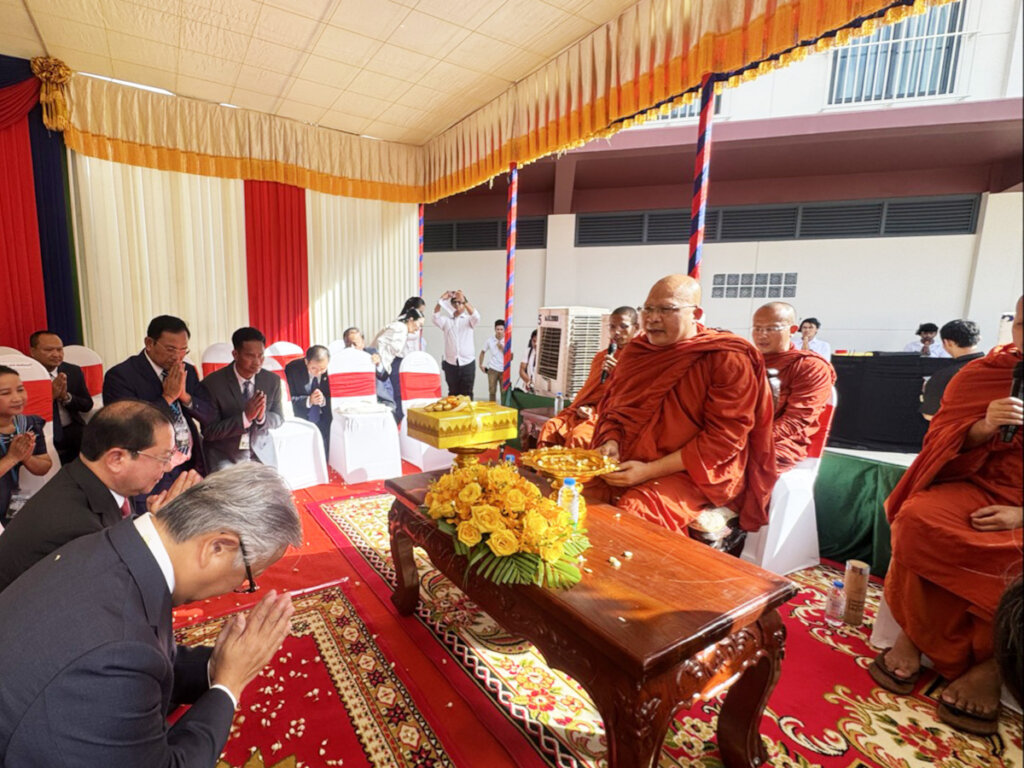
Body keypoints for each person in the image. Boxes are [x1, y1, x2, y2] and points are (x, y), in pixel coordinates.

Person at [0, 463, 302, 766]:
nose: (237, 588)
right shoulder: (120, 650)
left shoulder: (113, 546)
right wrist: (229, 686)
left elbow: (151, 656)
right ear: (217, 547)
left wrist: (217, 665)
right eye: (248, 578)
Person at [869, 296, 1022, 736]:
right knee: (918, 521)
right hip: (977, 485)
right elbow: (939, 443)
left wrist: (1021, 514)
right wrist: (983, 426)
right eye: (1023, 324)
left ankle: (995, 664)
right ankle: (916, 632)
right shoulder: (984, 374)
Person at [590, 275, 776, 550]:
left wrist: (648, 471)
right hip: (632, 457)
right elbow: (615, 410)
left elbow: (724, 440)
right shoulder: (637, 352)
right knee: (579, 492)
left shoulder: (727, 357)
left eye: (666, 309)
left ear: (696, 314)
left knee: (635, 511)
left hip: (695, 472)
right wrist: (611, 442)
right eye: (648, 309)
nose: (652, 318)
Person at [0, 400, 201, 594]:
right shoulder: (77, 527)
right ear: (116, 459)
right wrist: (161, 530)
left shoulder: (95, 481)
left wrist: (153, 521)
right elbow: (122, 591)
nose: (168, 467)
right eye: (164, 457)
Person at [103, 315, 209, 510]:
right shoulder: (121, 376)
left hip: (188, 465)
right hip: (151, 470)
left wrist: (185, 398)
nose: (177, 357)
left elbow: (209, 414)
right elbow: (125, 428)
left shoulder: (187, 371)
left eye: (183, 350)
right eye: (171, 349)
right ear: (149, 343)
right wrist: (167, 398)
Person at [751, 303, 836, 475]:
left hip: (779, 443)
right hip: (737, 435)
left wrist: (749, 440)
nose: (762, 335)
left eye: (771, 329)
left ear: (792, 329)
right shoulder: (747, 361)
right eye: (757, 328)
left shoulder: (810, 366)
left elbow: (796, 420)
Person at [538, 307, 639, 449]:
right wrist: (584, 407)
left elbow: (636, 396)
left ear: (636, 328)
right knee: (550, 427)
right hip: (592, 411)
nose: (616, 332)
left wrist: (618, 375)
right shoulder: (601, 357)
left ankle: (571, 465)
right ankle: (546, 464)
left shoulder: (639, 359)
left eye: (623, 326)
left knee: (579, 437)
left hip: (613, 415)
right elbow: (590, 392)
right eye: (612, 326)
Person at [198, 327, 284, 470]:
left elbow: (279, 418)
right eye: (250, 356)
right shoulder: (212, 384)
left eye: (261, 355)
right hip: (226, 458)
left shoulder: (271, 380)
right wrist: (245, 418)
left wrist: (262, 417)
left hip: (262, 455)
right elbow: (209, 432)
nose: (257, 362)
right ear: (235, 354)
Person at [28, 330, 93, 465]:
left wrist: (66, 397)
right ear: (33, 352)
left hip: (74, 431)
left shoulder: (73, 371)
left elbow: (87, 404)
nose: (56, 354)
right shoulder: (27, 376)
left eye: (59, 349)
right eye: (49, 350)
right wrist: (50, 397)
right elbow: (24, 413)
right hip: (42, 435)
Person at [0, 366, 52, 527]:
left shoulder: (29, 424)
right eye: (5, 393)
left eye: (20, 390)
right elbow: (12, 458)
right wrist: (11, 458)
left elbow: (44, 466)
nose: (17, 398)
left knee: (21, 533)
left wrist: (27, 457)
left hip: (15, 499)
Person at [920, 319, 984, 421]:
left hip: (958, 429)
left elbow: (930, 415)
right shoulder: (997, 367)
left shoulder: (944, 376)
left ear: (947, 342)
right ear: (979, 339)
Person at [372, 309, 426, 424]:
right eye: (419, 324)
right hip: (379, 368)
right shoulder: (400, 328)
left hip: (382, 368)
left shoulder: (401, 328)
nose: (419, 328)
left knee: (388, 401)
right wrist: (379, 361)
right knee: (388, 402)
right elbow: (380, 342)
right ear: (411, 320)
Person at [433, 289, 480, 398]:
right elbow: (435, 317)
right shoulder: (446, 321)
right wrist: (441, 300)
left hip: (467, 363)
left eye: (460, 302)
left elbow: (476, 316)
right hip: (451, 363)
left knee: (467, 394)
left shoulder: (469, 320)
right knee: (452, 393)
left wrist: (464, 300)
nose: (457, 305)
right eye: (454, 302)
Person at [285, 345, 331, 450]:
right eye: (314, 368)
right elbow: (287, 401)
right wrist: (308, 400)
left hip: (326, 419)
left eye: (322, 369)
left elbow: (338, 398)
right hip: (301, 420)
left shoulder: (333, 370)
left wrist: (323, 400)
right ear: (306, 362)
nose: (318, 373)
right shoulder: (292, 369)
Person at [343, 327, 392, 411]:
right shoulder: (341, 359)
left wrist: (378, 364)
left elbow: (383, 376)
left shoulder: (371, 353)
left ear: (362, 342)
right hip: (351, 400)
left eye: (355, 344)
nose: (352, 347)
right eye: (348, 344)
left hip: (376, 398)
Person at [479, 320, 507, 402]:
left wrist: (502, 348)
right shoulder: (490, 340)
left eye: (501, 329)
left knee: (504, 392)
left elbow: (511, 357)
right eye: (497, 329)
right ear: (495, 329)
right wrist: (480, 365)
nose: (499, 331)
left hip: (504, 370)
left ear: (504, 330)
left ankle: (503, 408)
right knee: (492, 391)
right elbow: (482, 352)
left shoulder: (507, 340)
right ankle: (492, 408)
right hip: (492, 369)